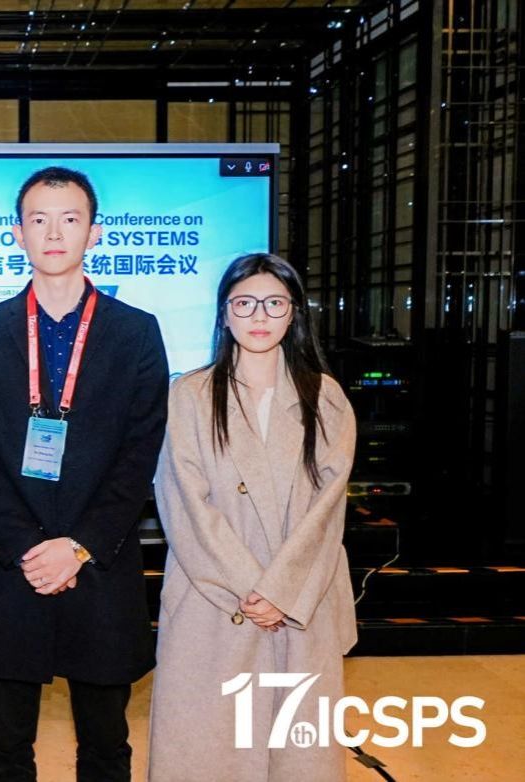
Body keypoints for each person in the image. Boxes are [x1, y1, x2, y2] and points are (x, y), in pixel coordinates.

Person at [0, 166, 169, 781]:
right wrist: (29, 548)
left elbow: (140, 453)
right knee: (6, 745)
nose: (54, 233)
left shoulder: (136, 332)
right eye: (39, 220)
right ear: (17, 233)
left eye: (70, 219)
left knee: (106, 744)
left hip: (99, 564)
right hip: (11, 566)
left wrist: (77, 547)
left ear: (94, 232)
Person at [148, 253, 357, 781]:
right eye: (243, 303)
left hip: (302, 601)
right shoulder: (190, 395)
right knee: (208, 754)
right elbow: (184, 502)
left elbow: (328, 508)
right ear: (224, 314)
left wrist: (280, 591)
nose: (258, 316)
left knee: (297, 756)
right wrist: (250, 588)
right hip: (215, 601)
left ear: (294, 314)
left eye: (274, 303)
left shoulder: (326, 398)